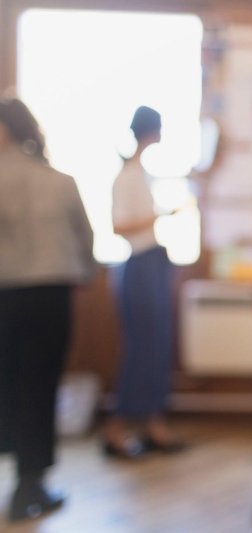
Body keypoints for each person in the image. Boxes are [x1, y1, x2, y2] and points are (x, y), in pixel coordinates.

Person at [0, 96, 97, 522]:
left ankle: (25, 478)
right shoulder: (60, 181)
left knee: (7, 381)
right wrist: (87, 274)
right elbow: (85, 240)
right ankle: (29, 483)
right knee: (40, 386)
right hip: (51, 296)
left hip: (5, 295)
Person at [104, 105, 183, 458]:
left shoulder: (141, 173)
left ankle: (153, 426)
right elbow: (119, 227)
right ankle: (118, 429)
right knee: (142, 349)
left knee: (156, 347)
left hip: (151, 263)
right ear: (151, 130)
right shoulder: (127, 176)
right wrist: (161, 215)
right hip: (139, 266)